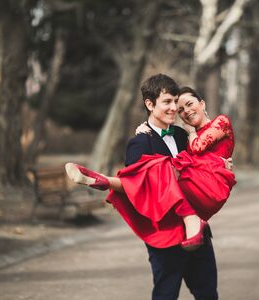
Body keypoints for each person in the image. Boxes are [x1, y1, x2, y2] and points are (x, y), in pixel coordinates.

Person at [67, 74, 234, 299]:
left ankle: (106, 180)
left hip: (199, 230)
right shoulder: (139, 143)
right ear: (150, 104)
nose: (175, 108)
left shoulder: (183, 135)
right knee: (165, 295)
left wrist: (221, 162)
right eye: (167, 102)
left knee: (207, 294)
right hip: (165, 234)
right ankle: (104, 181)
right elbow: (136, 186)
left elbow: (203, 161)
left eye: (176, 101)